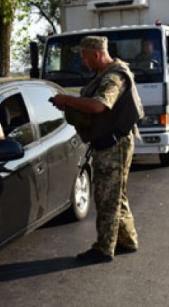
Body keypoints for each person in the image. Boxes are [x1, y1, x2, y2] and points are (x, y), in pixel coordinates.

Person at [51, 35, 143, 264]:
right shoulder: (105, 74)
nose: (84, 62)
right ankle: (128, 240)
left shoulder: (114, 77)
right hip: (110, 143)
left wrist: (68, 100)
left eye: (85, 56)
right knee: (115, 195)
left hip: (115, 145)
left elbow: (99, 105)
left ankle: (104, 249)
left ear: (97, 54)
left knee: (106, 197)